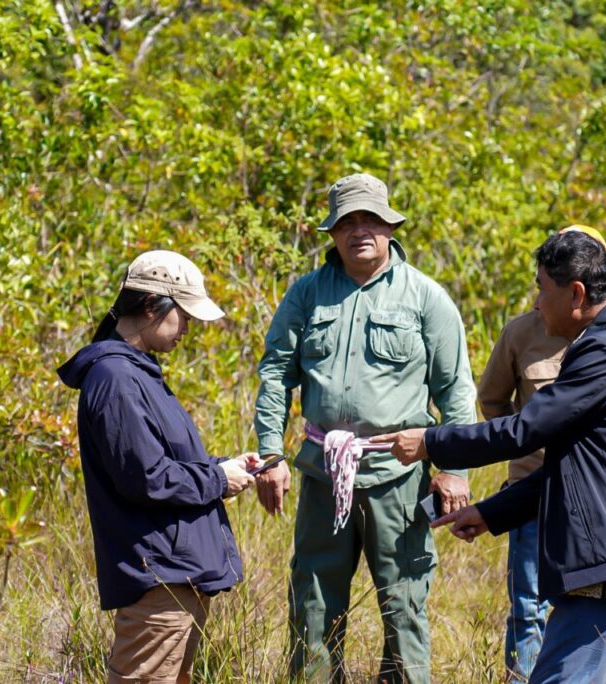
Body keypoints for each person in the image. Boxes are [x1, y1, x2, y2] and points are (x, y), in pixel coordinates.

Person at [375, 230, 606, 683]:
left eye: (543, 289)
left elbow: (523, 430)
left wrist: (431, 442)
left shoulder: (604, 352)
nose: (537, 303)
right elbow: (575, 470)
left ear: (576, 294)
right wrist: (492, 512)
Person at [253, 173, 477, 683]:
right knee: (313, 601)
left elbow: (456, 392)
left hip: (398, 477)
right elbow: (276, 374)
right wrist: (270, 454)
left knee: (404, 603)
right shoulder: (307, 294)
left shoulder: (425, 297)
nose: (359, 231)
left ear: (390, 227)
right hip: (322, 473)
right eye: (346, 222)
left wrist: (455, 470)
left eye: (370, 220)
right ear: (332, 232)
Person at [58, 250, 260, 684]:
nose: (187, 328)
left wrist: (223, 467)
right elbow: (144, 478)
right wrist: (217, 479)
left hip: (174, 576)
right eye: (183, 315)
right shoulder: (115, 378)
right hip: (158, 578)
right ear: (152, 306)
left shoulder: (136, 374)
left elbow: (160, 462)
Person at [478, 225, 606, 681]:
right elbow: (492, 401)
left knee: (592, 604)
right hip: (531, 496)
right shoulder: (522, 332)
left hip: (594, 499)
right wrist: (527, 440)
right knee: (528, 606)